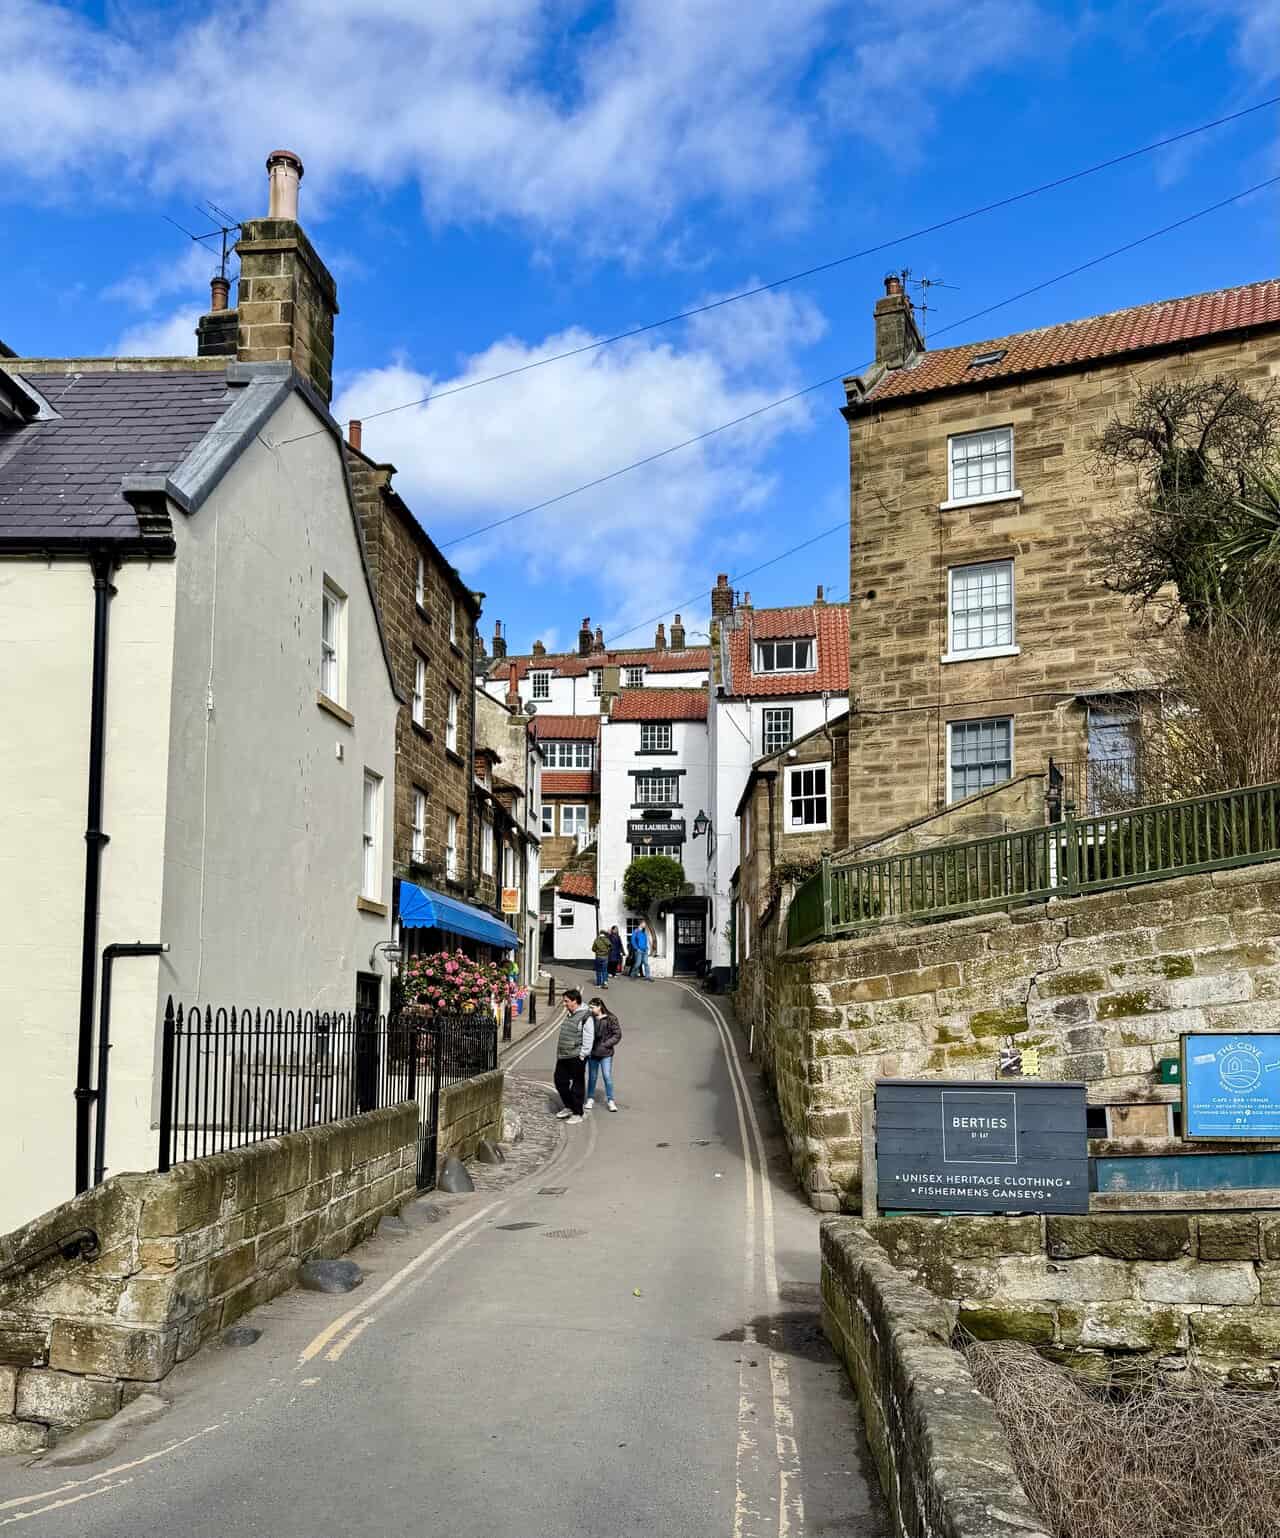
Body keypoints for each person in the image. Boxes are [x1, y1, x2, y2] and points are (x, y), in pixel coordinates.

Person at [554, 988, 594, 1124]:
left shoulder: (585, 1017)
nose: (564, 1004)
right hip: (564, 1055)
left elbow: (589, 1037)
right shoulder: (570, 1013)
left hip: (577, 1056)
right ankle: (569, 1106)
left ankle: (578, 1113)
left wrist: (583, 1055)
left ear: (575, 1001)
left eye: (566, 1001)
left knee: (577, 1085)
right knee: (560, 1081)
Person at [585, 997, 621, 1113]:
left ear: (599, 1007)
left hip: (606, 1053)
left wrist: (606, 1045)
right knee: (592, 1077)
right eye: (589, 1007)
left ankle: (611, 1100)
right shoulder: (590, 1018)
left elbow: (617, 1034)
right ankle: (590, 1098)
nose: (590, 1009)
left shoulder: (611, 1018)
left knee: (607, 1076)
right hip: (593, 1053)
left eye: (592, 1007)